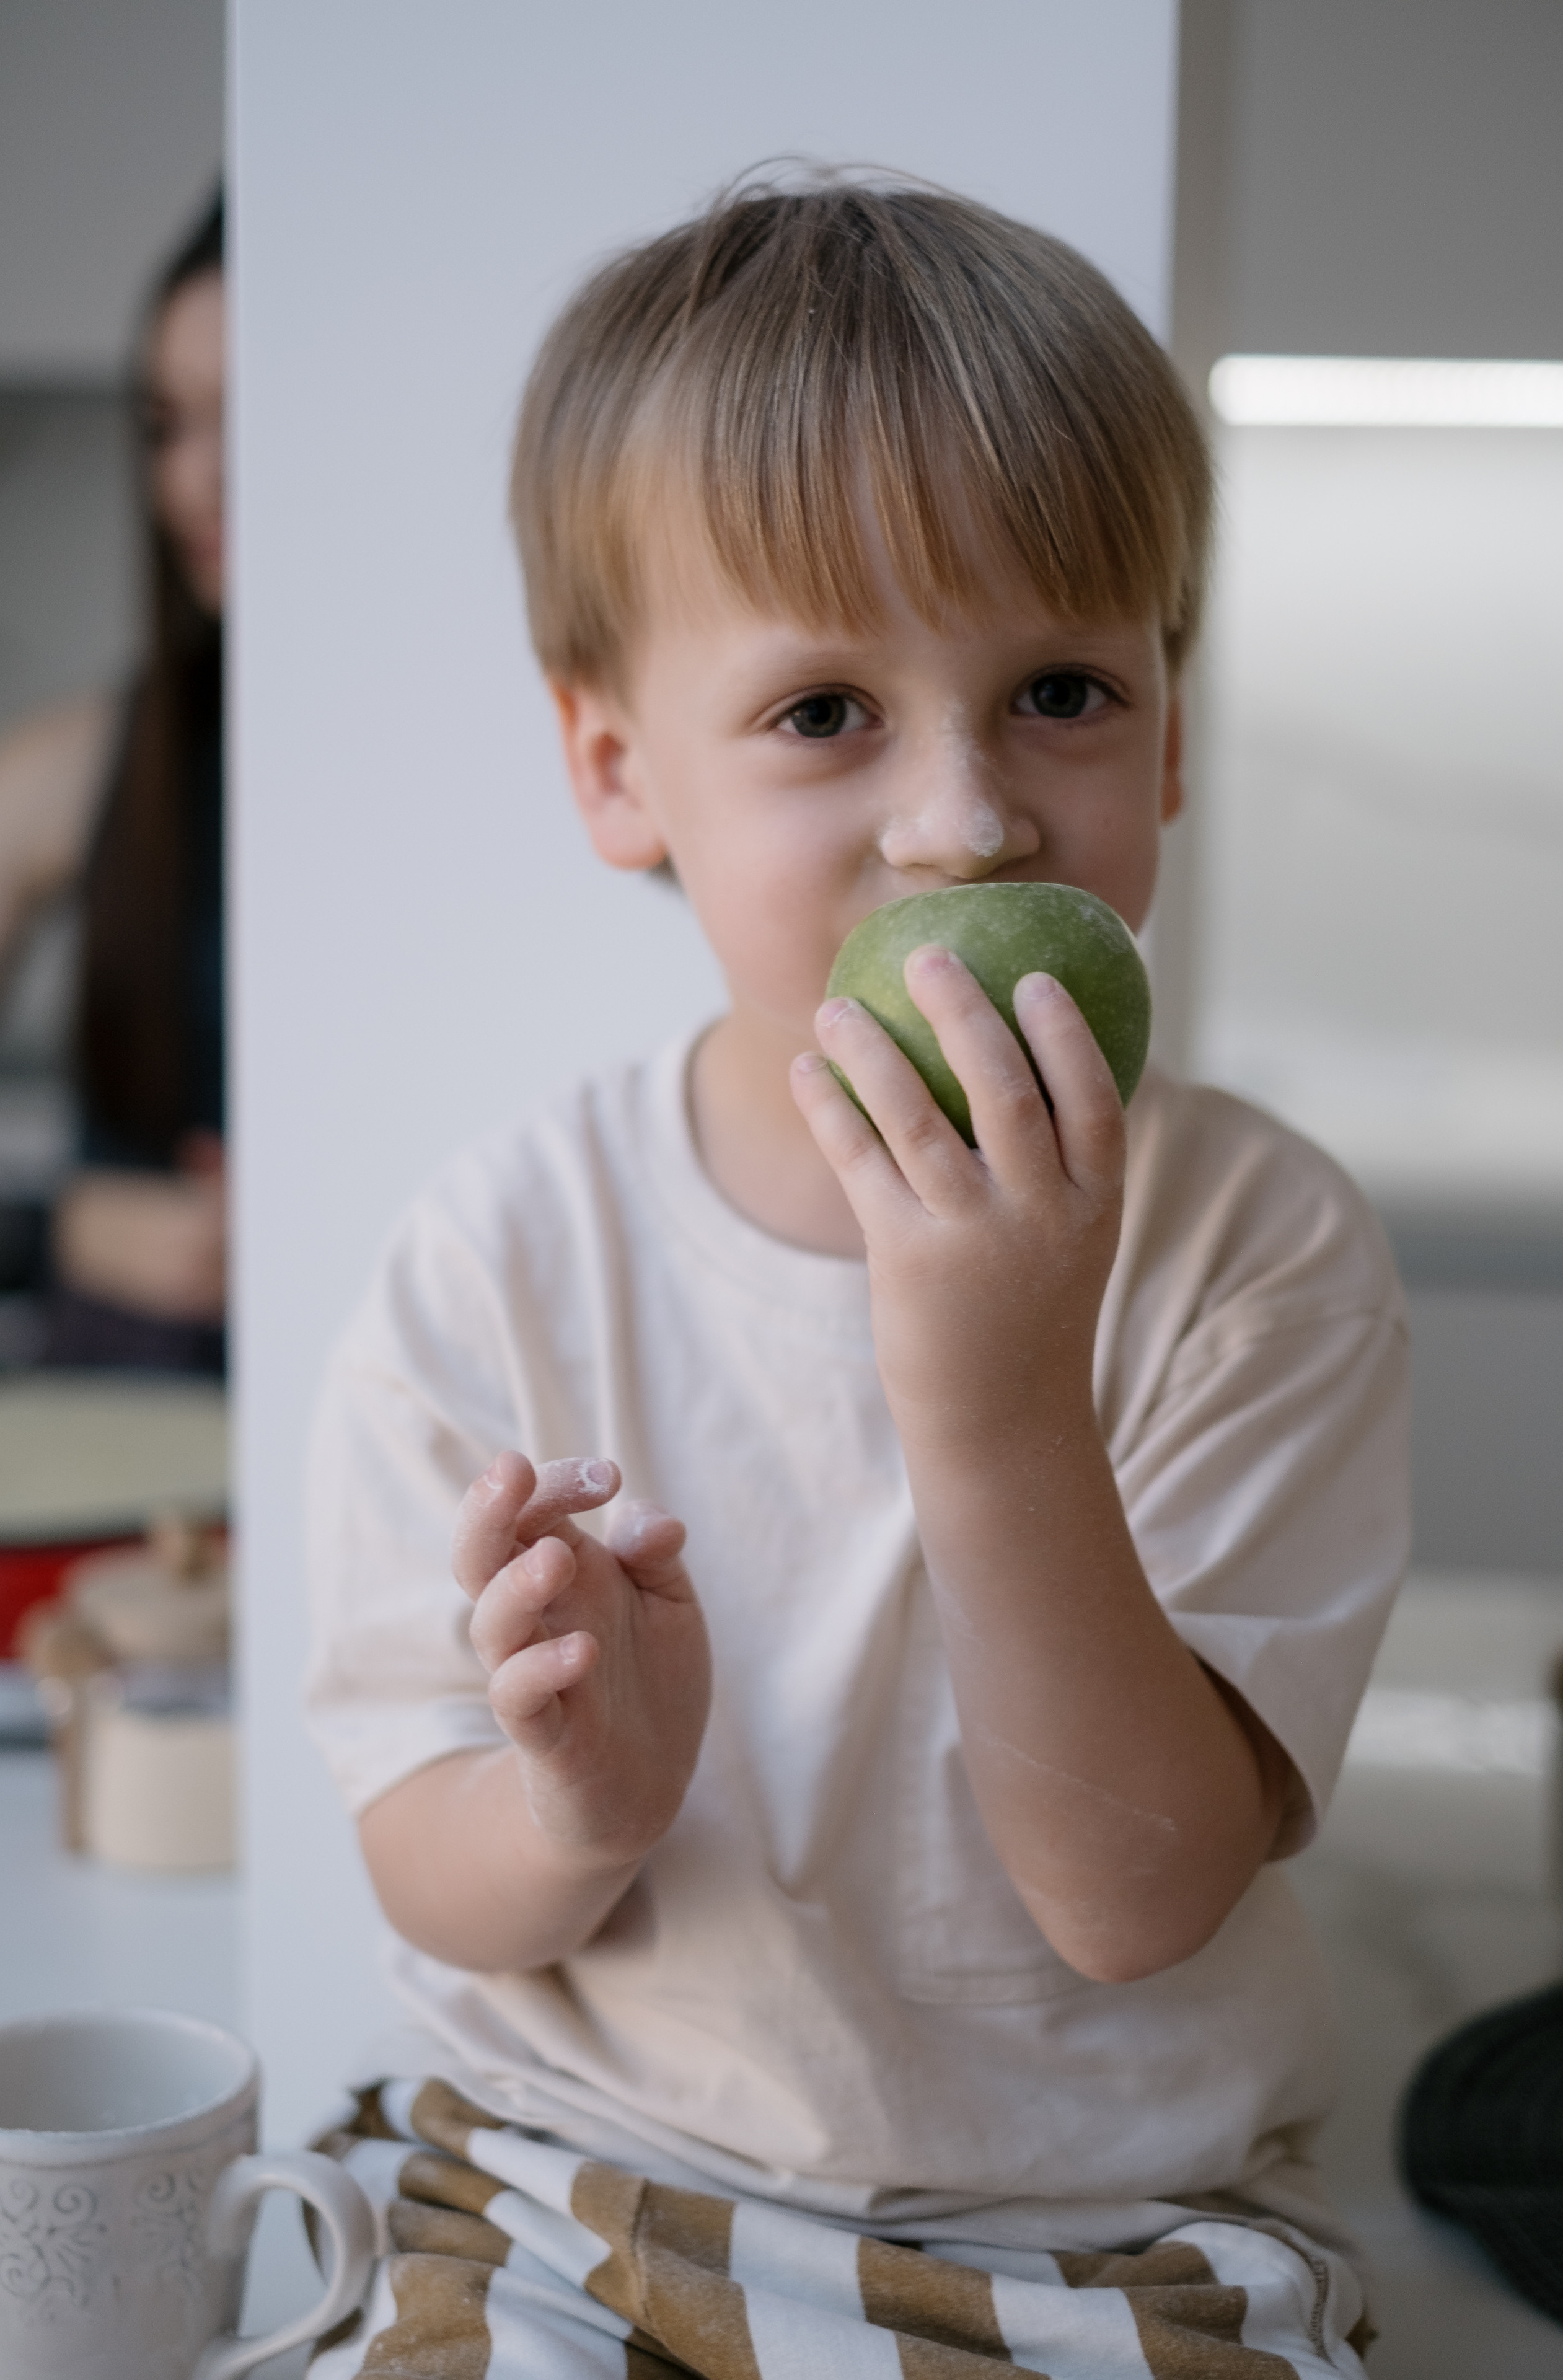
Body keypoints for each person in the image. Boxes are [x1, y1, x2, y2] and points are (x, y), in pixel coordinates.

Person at [305, 180, 1409, 2376]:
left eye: (1063, 691)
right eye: (827, 712)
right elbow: (422, 1862)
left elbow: (1136, 1898)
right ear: (620, 772)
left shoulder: (1259, 1253)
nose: (965, 824)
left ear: (1173, 737)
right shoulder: (506, 1253)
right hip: (577, 2181)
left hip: (1109, 2229)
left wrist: (997, 1393)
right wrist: (578, 1810)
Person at [0, 193, 226, 1373]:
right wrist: (57, 1227)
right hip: (122, 1407)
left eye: (249, 417)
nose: (200, 480)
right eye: (168, 425)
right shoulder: (76, 766)